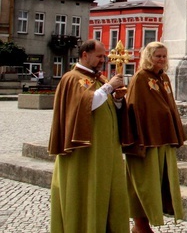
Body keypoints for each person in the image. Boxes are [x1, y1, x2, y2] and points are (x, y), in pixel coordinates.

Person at [48, 40, 129, 233]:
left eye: (103, 56)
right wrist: (109, 87)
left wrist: (117, 100)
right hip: (85, 152)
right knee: (87, 190)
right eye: (99, 56)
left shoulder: (98, 79)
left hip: (105, 150)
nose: (103, 60)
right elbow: (84, 105)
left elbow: (106, 106)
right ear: (85, 54)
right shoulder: (72, 78)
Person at [124, 42, 186, 232]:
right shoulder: (140, 78)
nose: (161, 59)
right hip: (147, 139)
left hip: (164, 137)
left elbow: (170, 106)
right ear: (148, 57)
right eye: (157, 56)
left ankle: (148, 222)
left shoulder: (164, 78)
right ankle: (140, 225)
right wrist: (138, 139)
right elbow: (134, 108)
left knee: (159, 182)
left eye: (164, 56)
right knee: (144, 183)